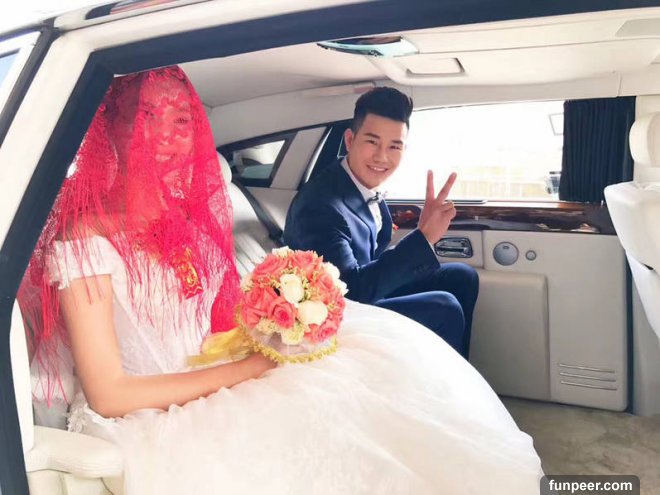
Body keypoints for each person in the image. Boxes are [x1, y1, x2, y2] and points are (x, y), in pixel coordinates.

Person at [19, 67, 542, 494]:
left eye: (181, 120)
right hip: (150, 413)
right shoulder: (83, 240)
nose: (167, 137)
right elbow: (109, 393)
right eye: (148, 118)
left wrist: (275, 316)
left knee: (365, 405)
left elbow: (211, 319)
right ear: (112, 128)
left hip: (214, 369)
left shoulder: (182, 221)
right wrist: (247, 369)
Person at [283, 87, 479, 359]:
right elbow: (350, 293)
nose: (382, 157)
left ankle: (457, 369)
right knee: (444, 307)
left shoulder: (359, 183)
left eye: (394, 146)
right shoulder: (320, 206)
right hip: (340, 315)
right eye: (372, 142)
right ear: (350, 140)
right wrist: (422, 238)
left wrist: (421, 233)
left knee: (461, 276)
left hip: (363, 293)